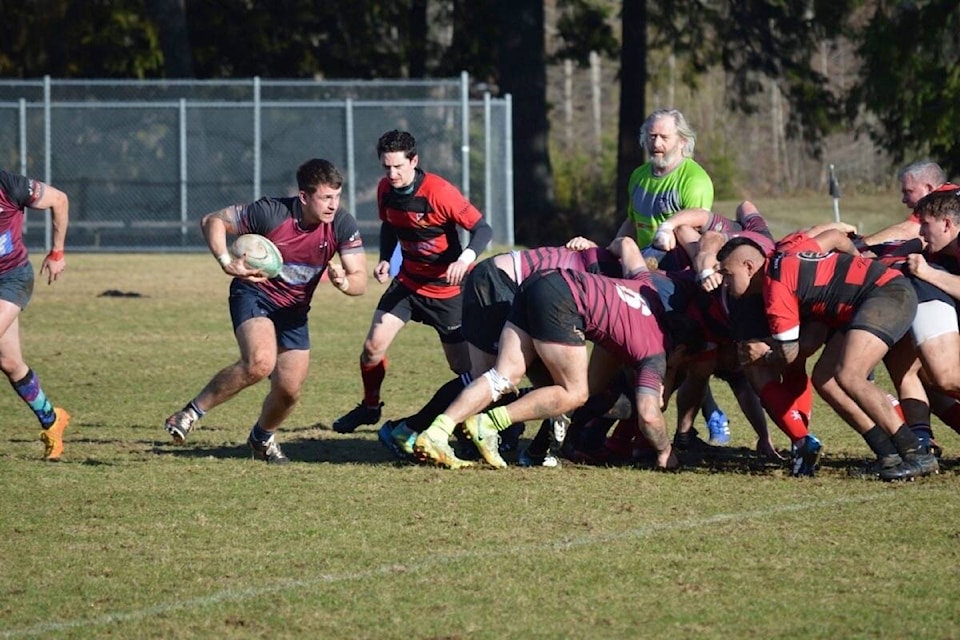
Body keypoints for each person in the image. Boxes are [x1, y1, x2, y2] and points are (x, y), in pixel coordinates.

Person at [414, 236, 700, 471]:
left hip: (538, 280)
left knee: (504, 376)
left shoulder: (646, 285)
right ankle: (487, 424)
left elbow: (626, 242)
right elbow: (649, 415)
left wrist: (601, 247)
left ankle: (436, 433)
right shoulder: (655, 351)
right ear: (681, 348)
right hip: (562, 298)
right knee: (575, 392)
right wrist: (665, 452)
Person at [163, 158, 366, 464]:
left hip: (294, 311)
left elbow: (360, 280)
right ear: (304, 197)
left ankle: (261, 438)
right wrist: (225, 261)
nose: (333, 205)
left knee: (288, 392)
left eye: (337, 197)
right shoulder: (271, 212)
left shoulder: (341, 224)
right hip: (255, 293)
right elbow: (212, 221)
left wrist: (344, 283)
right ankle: (189, 414)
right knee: (259, 363)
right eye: (325, 198)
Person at [715, 233, 939, 481]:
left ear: (748, 267)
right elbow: (835, 238)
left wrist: (765, 353)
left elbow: (788, 355)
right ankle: (887, 454)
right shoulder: (784, 256)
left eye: (727, 274)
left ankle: (917, 453)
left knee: (851, 376)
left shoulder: (775, 286)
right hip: (868, 299)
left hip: (885, 293)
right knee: (826, 379)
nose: (724, 282)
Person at [376, 242, 624, 464]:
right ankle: (412, 430)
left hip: (500, 280)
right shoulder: (614, 277)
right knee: (496, 380)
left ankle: (530, 449)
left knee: (544, 384)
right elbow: (625, 244)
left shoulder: (606, 262)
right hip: (501, 285)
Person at [332, 130, 492, 434]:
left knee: (463, 369)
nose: (392, 174)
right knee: (371, 349)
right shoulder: (385, 190)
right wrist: (384, 258)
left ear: (414, 161)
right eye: (386, 167)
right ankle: (369, 407)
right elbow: (390, 226)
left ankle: (474, 420)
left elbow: (483, 229)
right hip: (407, 285)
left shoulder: (440, 192)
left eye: (398, 167)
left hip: (446, 292)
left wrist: (465, 258)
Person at [604, 107, 728, 443]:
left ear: (683, 141)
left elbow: (699, 222)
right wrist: (615, 245)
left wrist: (670, 225)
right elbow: (633, 220)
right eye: (651, 137)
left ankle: (692, 421)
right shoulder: (639, 176)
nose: (656, 144)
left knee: (678, 356)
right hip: (643, 269)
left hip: (682, 274)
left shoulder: (693, 178)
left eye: (664, 137)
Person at [0, 169, 71, 461]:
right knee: (10, 363)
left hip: (11, 278)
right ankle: (52, 420)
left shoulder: (10, 185)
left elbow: (60, 199)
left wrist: (57, 252)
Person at [861, 160, 957, 247]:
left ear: (929, 188)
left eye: (909, 192)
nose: (904, 199)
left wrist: (858, 246)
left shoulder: (944, 200)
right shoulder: (951, 194)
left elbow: (907, 231)